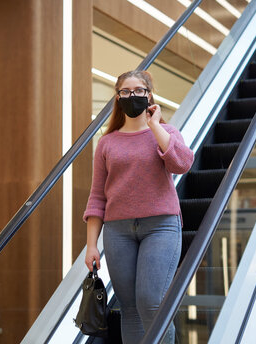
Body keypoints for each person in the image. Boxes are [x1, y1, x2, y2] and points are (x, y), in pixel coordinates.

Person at [83, 70, 194, 344]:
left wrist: (155, 125)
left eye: (139, 90)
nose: (132, 96)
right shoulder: (107, 143)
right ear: (118, 98)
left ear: (149, 95)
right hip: (118, 231)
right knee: (129, 308)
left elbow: (182, 164)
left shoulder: (165, 133)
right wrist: (91, 245)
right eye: (126, 91)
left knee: (151, 302)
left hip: (161, 227)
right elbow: (98, 196)